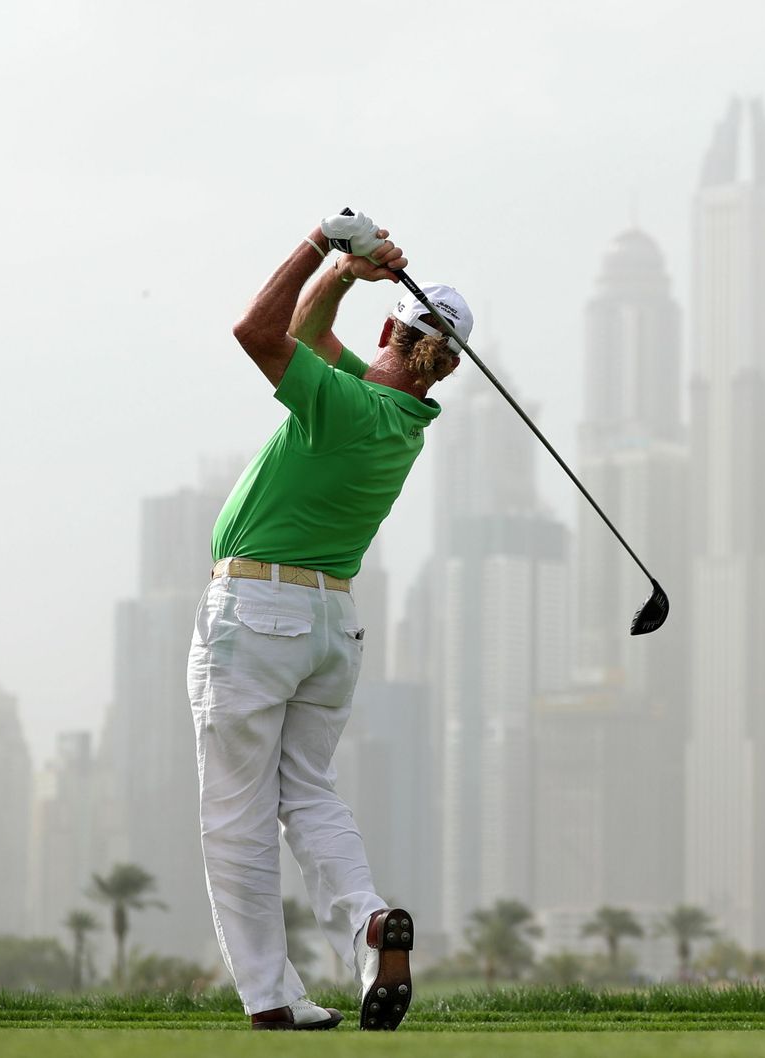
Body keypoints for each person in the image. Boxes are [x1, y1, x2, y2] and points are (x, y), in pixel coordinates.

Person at [188, 209, 470, 1030]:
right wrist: (345, 276)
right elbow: (309, 334)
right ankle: (369, 921)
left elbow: (258, 329)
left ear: (393, 324)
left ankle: (272, 997)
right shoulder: (402, 419)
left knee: (235, 815)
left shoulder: (343, 405)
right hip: (330, 628)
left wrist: (323, 242)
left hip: (256, 615)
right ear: (445, 364)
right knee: (308, 796)